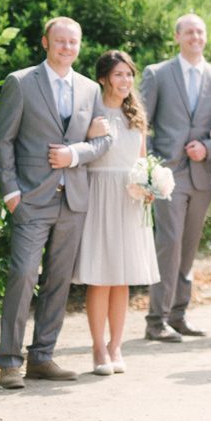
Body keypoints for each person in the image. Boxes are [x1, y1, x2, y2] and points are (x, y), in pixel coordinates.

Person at [0, 17, 111, 388]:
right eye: (60, 41)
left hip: (73, 200)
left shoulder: (91, 90)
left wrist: (74, 154)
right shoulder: (21, 82)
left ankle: (42, 357)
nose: (67, 48)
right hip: (31, 199)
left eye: (73, 42)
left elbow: (104, 141)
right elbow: (3, 140)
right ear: (45, 42)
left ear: (79, 45)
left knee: (59, 281)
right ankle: (9, 362)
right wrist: (11, 193)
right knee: (24, 274)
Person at [141, 14, 211, 343]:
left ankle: (179, 315)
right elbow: (141, 124)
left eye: (200, 32)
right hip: (167, 174)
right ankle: (156, 319)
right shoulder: (158, 74)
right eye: (189, 31)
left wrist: (207, 148)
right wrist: (150, 167)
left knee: (190, 246)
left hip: (201, 175)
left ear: (206, 38)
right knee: (169, 243)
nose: (195, 36)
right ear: (177, 36)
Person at [74, 50, 162, 375]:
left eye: (129, 74)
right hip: (99, 196)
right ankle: (98, 348)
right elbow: (82, 153)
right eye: (118, 74)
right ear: (103, 78)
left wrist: (149, 184)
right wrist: (88, 134)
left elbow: (141, 158)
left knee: (122, 277)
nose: (125, 81)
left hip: (129, 198)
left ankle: (116, 346)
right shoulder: (92, 113)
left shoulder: (135, 114)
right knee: (100, 277)